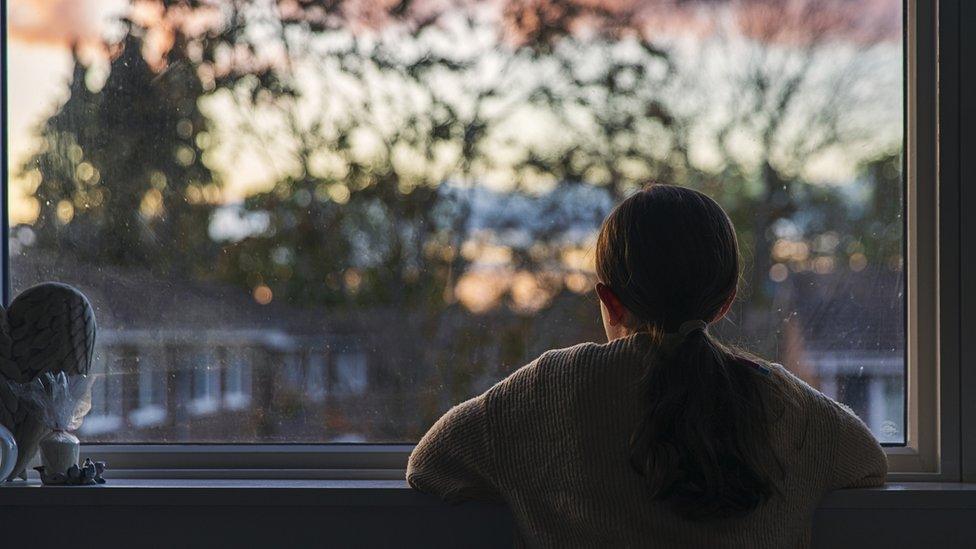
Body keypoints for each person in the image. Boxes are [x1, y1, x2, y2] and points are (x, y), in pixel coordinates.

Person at [407, 184, 886, 547]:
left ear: (609, 301)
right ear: (724, 302)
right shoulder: (781, 401)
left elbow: (429, 463)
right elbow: (867, 464)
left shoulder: (556, 388)